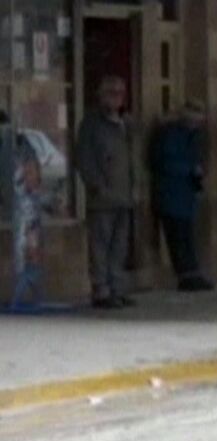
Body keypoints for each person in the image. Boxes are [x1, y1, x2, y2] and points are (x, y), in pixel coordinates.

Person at [77, 76, 135, 309]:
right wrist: (96, 184)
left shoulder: (126, 123)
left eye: (120, 93)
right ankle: (101, 289)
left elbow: (132, 157)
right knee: (100, 245)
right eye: (112, 93)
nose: (117, 97)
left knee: (119, 247)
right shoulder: (91, 123)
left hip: (124, 194)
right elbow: (84, 157)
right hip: (102, 196)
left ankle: (117, 288)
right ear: (101, 96)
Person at [152, 101, 214, 292]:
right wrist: (190, 170)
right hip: (172, 192)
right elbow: (165, 162)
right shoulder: (170, 135)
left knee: (187, 236)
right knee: (178, 237)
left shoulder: (191, 136)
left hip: (185, 194)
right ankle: (185, 275)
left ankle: (192, 273)